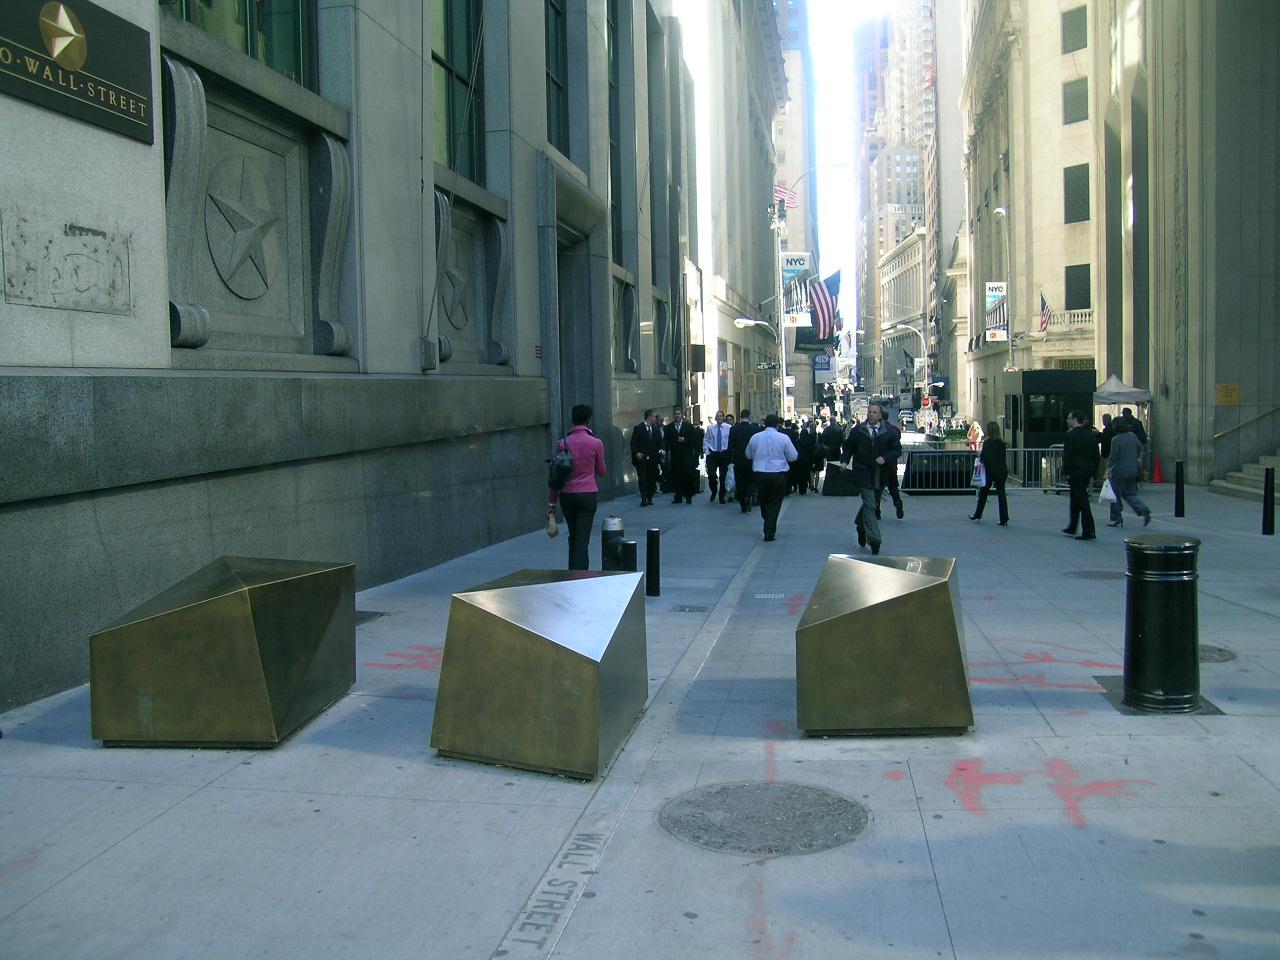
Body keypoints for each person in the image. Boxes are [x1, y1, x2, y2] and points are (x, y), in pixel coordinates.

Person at [547, 404, 606, 570]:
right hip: (588, 493)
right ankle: (580, 574)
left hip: (567, 495)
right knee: (582, 538)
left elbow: (556, 474)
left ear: (572, 419)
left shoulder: (563, 443)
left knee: (573, 535)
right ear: (588, 420)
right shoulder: (596, 443)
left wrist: (551, 502)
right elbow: (601, 471)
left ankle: (573, 571)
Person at [840, 402, 895, 555]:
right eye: (869, 412)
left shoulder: (889, 432)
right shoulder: (858, 431)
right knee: (870, 504)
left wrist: (885, 457)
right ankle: (874, 539)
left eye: (874, 412)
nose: (871, 414)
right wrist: (844, 461)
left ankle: (860, 525)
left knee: (872, 504)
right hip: (863, 472)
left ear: (880, 415)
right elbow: (848, 447)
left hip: (881, 474)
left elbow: (896, 450)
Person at [744, 414, 797, 541]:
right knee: (775, 502)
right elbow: (793, 456)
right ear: (777, 425)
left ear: (764, 424)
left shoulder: (755, 437)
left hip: (760, 474)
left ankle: (767, 520)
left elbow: (748, 454)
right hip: (778, 474)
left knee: (763, 500)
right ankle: (769, 528)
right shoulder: (783, 438)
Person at [1061, 409, 1100, 540]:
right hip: (1086, 470)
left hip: (1075, 470)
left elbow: (1068, 455)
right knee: (1075, 498)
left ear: (1075, 420)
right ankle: (1072, 526)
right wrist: (1093, 471)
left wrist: (1066, 470)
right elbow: (1096, 455)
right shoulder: (1090, 435)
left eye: (1069, 418)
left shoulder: (1071, 435)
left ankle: (1089, 530)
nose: (1067, 421)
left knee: (1081, 500)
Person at [1106, 419, 1152, 527]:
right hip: (1132, 469)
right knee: (1129, 493)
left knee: (1115, 495)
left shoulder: (1115, 440)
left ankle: (1116, 517)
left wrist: (1108, 469)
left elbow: (1113, 455)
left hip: (1119, 471)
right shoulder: (1133, 436)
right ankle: (1142, 508)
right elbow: (1140, 447)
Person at [969, 420, 1009, 525]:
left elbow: (984, 457)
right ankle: (1004, 518)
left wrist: (979, 454)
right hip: (1001, 471)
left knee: (983, 494)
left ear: (989, 431)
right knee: (1001, 495)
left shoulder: (987, 443)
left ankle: (977, 514)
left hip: (989, 471)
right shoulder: (1002, 444)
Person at [629, 409, 664, 506]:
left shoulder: (656, 429)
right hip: (642, 458)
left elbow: (660, 443)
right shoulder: (639, 428)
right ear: (649, 417)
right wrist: (636, 453)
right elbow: (633, 443)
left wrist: (661, 451)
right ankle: (644, 498)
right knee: (643, 478)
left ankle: (650, 497)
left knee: (651, 478)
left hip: (653, 459)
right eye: (654, 417)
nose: (655, 419)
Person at [664, 407, 699, 504]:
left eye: (679, 414)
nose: (677, 416)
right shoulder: (669, 427)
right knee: (676, 477)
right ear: (673, 415)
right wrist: (666, 454)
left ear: (682, 415)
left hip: (687, 457)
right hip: (675, 457)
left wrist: (685, 440)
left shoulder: (688, 426)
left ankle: (688, 496)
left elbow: (694, 440)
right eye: (675, 414)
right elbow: (666, 442)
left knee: (687, 476)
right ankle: (678, 496)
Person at [729, 409, 760, 514]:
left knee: (740, 482)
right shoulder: (755, 429)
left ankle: (743, 504)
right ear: (749, 416)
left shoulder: (734, 429)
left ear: (740, 416)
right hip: (751, 460)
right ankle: (749, 495)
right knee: (751, 481)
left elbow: (730, 445)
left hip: (738, 460)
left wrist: (730, 459)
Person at [876, 416, 905, 520]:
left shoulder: (878, 430)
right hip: (892, 465)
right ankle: (898, 503)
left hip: (880, 465)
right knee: (893, 487)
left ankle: (877, 511)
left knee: (878, 489)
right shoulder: (895, 429)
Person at [702, 410, 731, 503]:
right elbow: (706, 440)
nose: (719, 417)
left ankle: (722, 496)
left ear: (723, 418)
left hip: (723, 454)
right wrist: (707, 451)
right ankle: (714, 491)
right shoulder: (710, 428)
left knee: (723, 476)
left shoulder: (729, 428)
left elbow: (731, 441)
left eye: (720, 416)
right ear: (715, 418)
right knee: (711, 475)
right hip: (712, 454)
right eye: (717, 416)